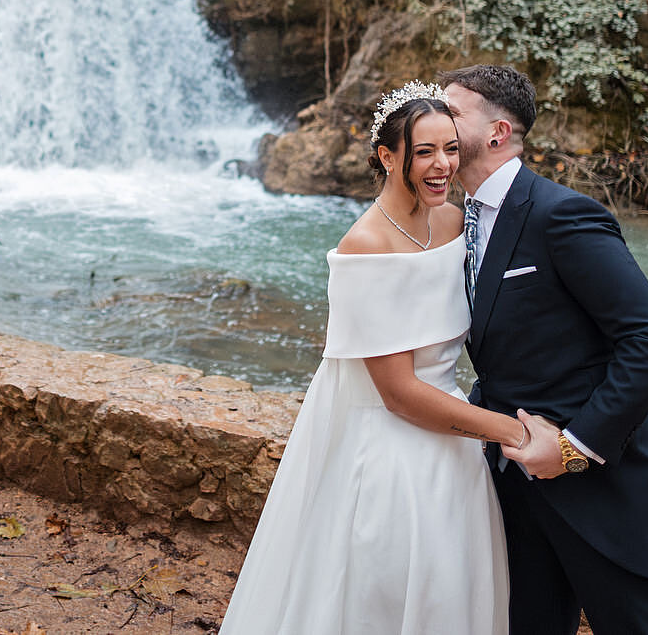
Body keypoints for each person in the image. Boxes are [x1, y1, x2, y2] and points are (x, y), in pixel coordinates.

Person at [220, 82, 518, 635]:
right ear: (387, 156)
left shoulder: (456, 223)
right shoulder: (367, 245)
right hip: (390, 455)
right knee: (381, 594)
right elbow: (398, 393)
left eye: (450, 149)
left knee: (449, 595)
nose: (442, 166)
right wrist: (511, 432)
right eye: (424, 152)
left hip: (453, 451)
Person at [443, 64, 648, 635]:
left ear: (498, 132)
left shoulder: (564, 216)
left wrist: (576, 447)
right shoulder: (460, 222)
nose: (437, 121)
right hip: (511, 481)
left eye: (453, 112)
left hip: (602, 490)